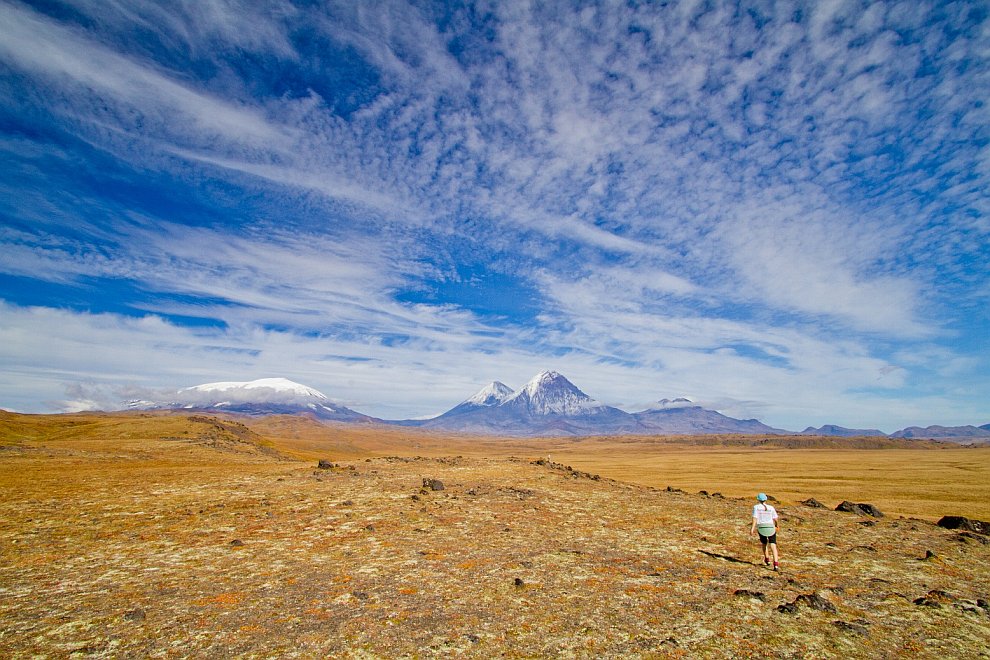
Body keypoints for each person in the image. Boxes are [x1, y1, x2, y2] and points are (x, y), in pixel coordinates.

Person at [750, 493, 779, 571]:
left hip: (762, 527)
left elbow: (755, 518)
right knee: (773, 545)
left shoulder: (756, 507)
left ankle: (767, 559)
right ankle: (776, 564)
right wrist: (776, 525)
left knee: (764, 543)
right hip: (771, 527)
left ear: (758, 499)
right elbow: (775, 518)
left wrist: (752, 528)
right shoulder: (771, 507)